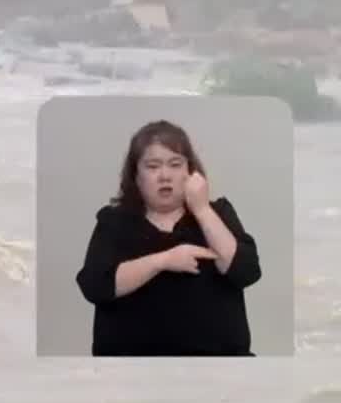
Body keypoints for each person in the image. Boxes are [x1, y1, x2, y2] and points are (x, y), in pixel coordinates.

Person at [74, 119, 262, 355]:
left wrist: (202, 209)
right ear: (136, 176)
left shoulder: (218, 213)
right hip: (129, 374)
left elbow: (246, 271)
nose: (165, 176)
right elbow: (95, 286)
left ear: (190, 173)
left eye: (175, 164)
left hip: (218, 370)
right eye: (153, 167)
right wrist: (164, 260)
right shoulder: (114, 222)